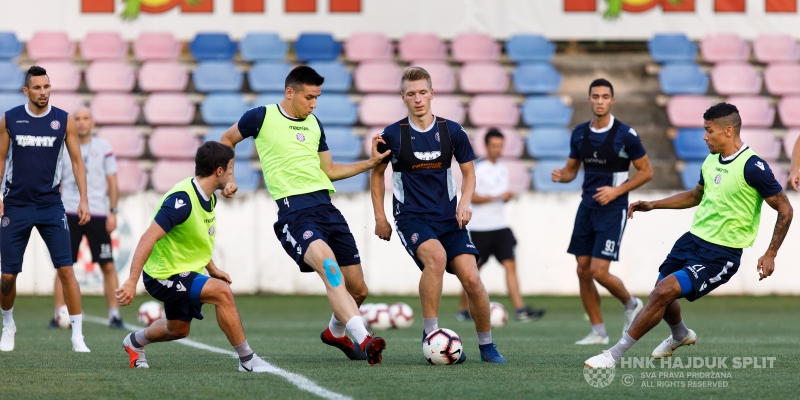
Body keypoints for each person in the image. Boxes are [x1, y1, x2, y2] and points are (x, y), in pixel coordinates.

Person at [585, 103, 793, 368]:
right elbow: (696, 196)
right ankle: (680, 334)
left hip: (721, 254)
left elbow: (785, 208)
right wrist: (654, 205)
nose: (705, 137)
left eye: (709, 131)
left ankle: (613, 355)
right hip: (691, 241)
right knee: (660, 292)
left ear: (728, 131)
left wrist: (771, 252)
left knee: (663, 291)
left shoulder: (753, 167)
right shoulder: (711, 161)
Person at [220, 66, 388, 365]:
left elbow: (330, 171)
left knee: (358, 290)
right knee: (329, 267)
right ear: (290, 92)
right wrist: (228, 178)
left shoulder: (314, 124)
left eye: (317, 98)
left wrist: (371, 162)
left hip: (327, 209)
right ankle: (364, 338)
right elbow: (227, 139)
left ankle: (335, 332)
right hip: (295, 214)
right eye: (309, 97)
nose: (313, 104)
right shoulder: (260, 116)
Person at [371, 66, 506, 363]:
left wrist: (465, 202)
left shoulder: (452, 131)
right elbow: (377, 176)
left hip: (449, 218)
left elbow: (469, 175)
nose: (418, 99)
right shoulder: (392, 135)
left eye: (422, 92)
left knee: (472, 277)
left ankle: (487, 346)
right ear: (402, 97)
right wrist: (380, 217)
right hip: (412, 217)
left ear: (432, 93)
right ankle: (431, 334)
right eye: (411, 94)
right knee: (436, 258)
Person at [115, 141, 272, 372]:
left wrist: (212, 268)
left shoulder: (209, 196)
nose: (231, 173)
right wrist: (131, 280)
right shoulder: (181, 201)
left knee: (178, 329)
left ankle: (134, 342)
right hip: (163, 274)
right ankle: (248, 360)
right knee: (222, 292)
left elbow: (192, 238)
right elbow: (147, 238)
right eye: (229, 168)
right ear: (219, 171)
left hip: (185, 270)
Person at [551, 78, 653, 345]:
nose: (599, 101)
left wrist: (616, 191)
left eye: (605, 97)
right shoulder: (580, 133)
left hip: (613, 209)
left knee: (599, 271)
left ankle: (631, 304)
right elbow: (572, 170)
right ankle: (598, 332)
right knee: (582, 270)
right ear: (589, 99)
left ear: (612, 100)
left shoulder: (625, 134)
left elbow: (646, 172)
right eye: (595, 96)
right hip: (587, 208)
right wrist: (563, 176)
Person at [0, 66, 91, 352]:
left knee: (66, 269)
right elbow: (0, 159)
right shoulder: (10, 119)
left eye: (47, 87)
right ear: (26, 90)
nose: (43, 92)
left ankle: (77, 335)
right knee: (7, 277)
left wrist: (84, 199)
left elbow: (77, 161)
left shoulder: (63, 120)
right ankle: (8, 325)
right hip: (15, 205)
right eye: (37, 88)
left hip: (51, 205)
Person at [455, 128, 545, 323]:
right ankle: (463, 309)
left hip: (500, 225)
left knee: (510, 264)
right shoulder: (478, 168)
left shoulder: (502, 169)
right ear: (486, 146)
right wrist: (497, 197)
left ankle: (520, 310)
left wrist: (505, 198)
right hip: (480, 228)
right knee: (473, 271)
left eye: (500, 145)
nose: (498, 149)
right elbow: (471, 197)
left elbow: (499, 197)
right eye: (494, 145)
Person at [50, 107, 123, 329]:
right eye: (77, 119)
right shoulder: (62, 146)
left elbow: (112, 182)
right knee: (64, 265)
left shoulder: (103, 147)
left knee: (108, 265)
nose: (81, 123)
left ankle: (114, 315)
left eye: (85, 119)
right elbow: (55, 181)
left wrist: (113, 211)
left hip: (98, 213)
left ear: (92, 122)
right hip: (69, 211)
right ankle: (59, 314)